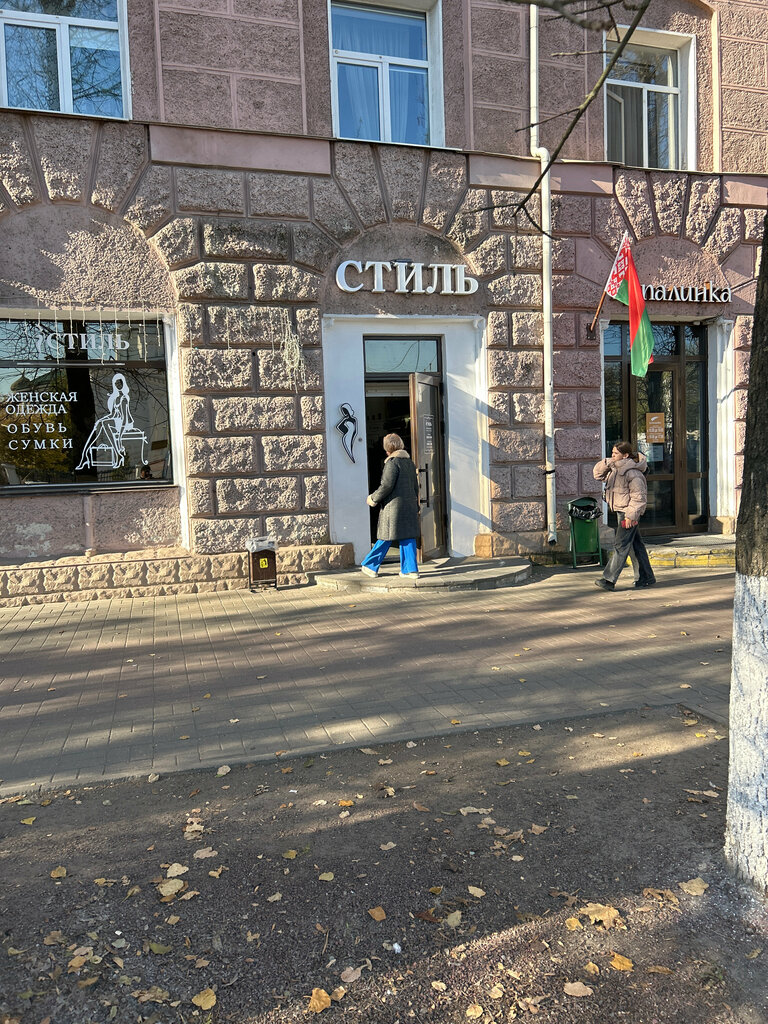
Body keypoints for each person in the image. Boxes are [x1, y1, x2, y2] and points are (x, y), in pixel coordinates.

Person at [593, 441, 656, 591]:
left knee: (620, 546)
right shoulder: (615, 469)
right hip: (621, 511)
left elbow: (639, 497)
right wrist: (608, 462)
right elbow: (598, 475)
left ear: (625, 455)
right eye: (612, 452)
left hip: (628, 514)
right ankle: (646, 577)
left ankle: (609, 580)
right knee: (635, 544)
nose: (613, 455)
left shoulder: (633, 473)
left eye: (616, 453)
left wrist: (630, 516)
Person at [361, 433, 420, 578]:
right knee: (408, 536)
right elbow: (415, 486)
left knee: (385, 536)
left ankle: (370, 566)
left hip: (393, 507)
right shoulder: (409, 463)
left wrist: (373, 498)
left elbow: (386, 485)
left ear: (387, 448)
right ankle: (410, 570)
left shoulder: (392, 463)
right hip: (409, 505)